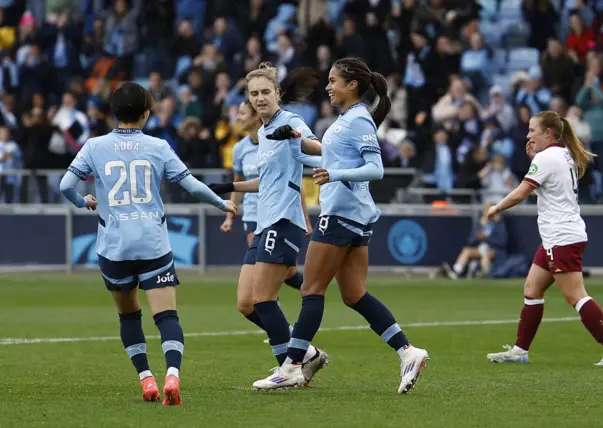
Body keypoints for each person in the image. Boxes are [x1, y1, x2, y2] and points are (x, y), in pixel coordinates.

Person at [252, 57, 429, 393]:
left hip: (341, 214)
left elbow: (376, 168)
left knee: (311, 289)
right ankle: (408, 351)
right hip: (355, 216)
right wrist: (295, 142)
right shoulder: (349, 119)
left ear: (352, 85)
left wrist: (336, 174)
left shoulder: (358, 120)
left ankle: (291, 367)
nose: (328, 87)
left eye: (334, 81)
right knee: (353, 294)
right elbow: (330, 159)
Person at [59, 83, 237, 405]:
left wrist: (80, 201)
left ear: (114, 113)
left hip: (114, 248)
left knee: (129, 318)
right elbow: (192, 187)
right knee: (167, 316)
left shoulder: (94, 146)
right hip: (153, 243)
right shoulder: (158, 146)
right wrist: (221, 204)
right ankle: (172, 374)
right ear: (145, 113)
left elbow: (65, 184)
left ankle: (147, 381)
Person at [210, 64, 329, 385]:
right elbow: (266, 181)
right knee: (246, 303)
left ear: (277, 93)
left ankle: (289, 368)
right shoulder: (263, 132)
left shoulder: (290, 122)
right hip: (265, 222)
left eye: (265, 92)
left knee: (264, 298)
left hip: (283, 220)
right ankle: (303, 357)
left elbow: (322, 150)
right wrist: (227, 188)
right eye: (254, 94)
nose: (260, 98)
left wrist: (297, 138)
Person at [485, 110, 603, 366]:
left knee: (576, 296)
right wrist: (534, 158)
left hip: (561, 237)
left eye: (532, 130)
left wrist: (496, 207)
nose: (528, 135)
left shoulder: (548, 157)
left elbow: (520, 194)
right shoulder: (560, 153)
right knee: (532, 288)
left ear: (548, 132)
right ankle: (519, 351)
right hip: (556, 237)